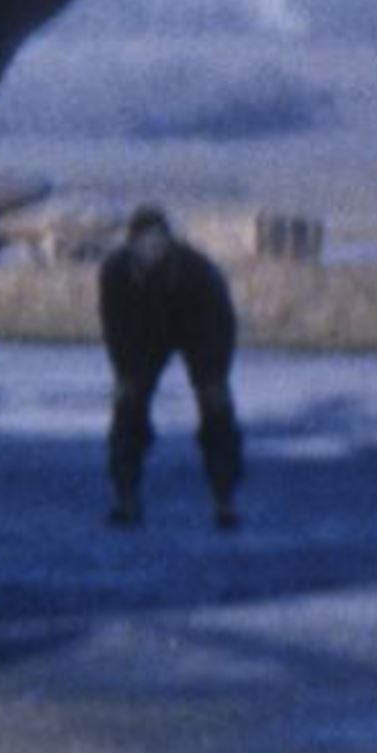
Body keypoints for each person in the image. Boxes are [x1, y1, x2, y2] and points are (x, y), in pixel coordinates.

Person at [97, 204, 242, 530]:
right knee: (127, 406)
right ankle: (126, 497)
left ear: (168, 242)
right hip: (144, 334)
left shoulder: (197, 270)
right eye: (144, 242)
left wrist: (212, 373)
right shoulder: (115, 271)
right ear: (131, 244)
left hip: (199, 329)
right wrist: (126, 372)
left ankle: (224, 499)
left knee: (216, 404)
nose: (152, 248)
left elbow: (220, 326)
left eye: (158, 240)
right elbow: (114, 327)